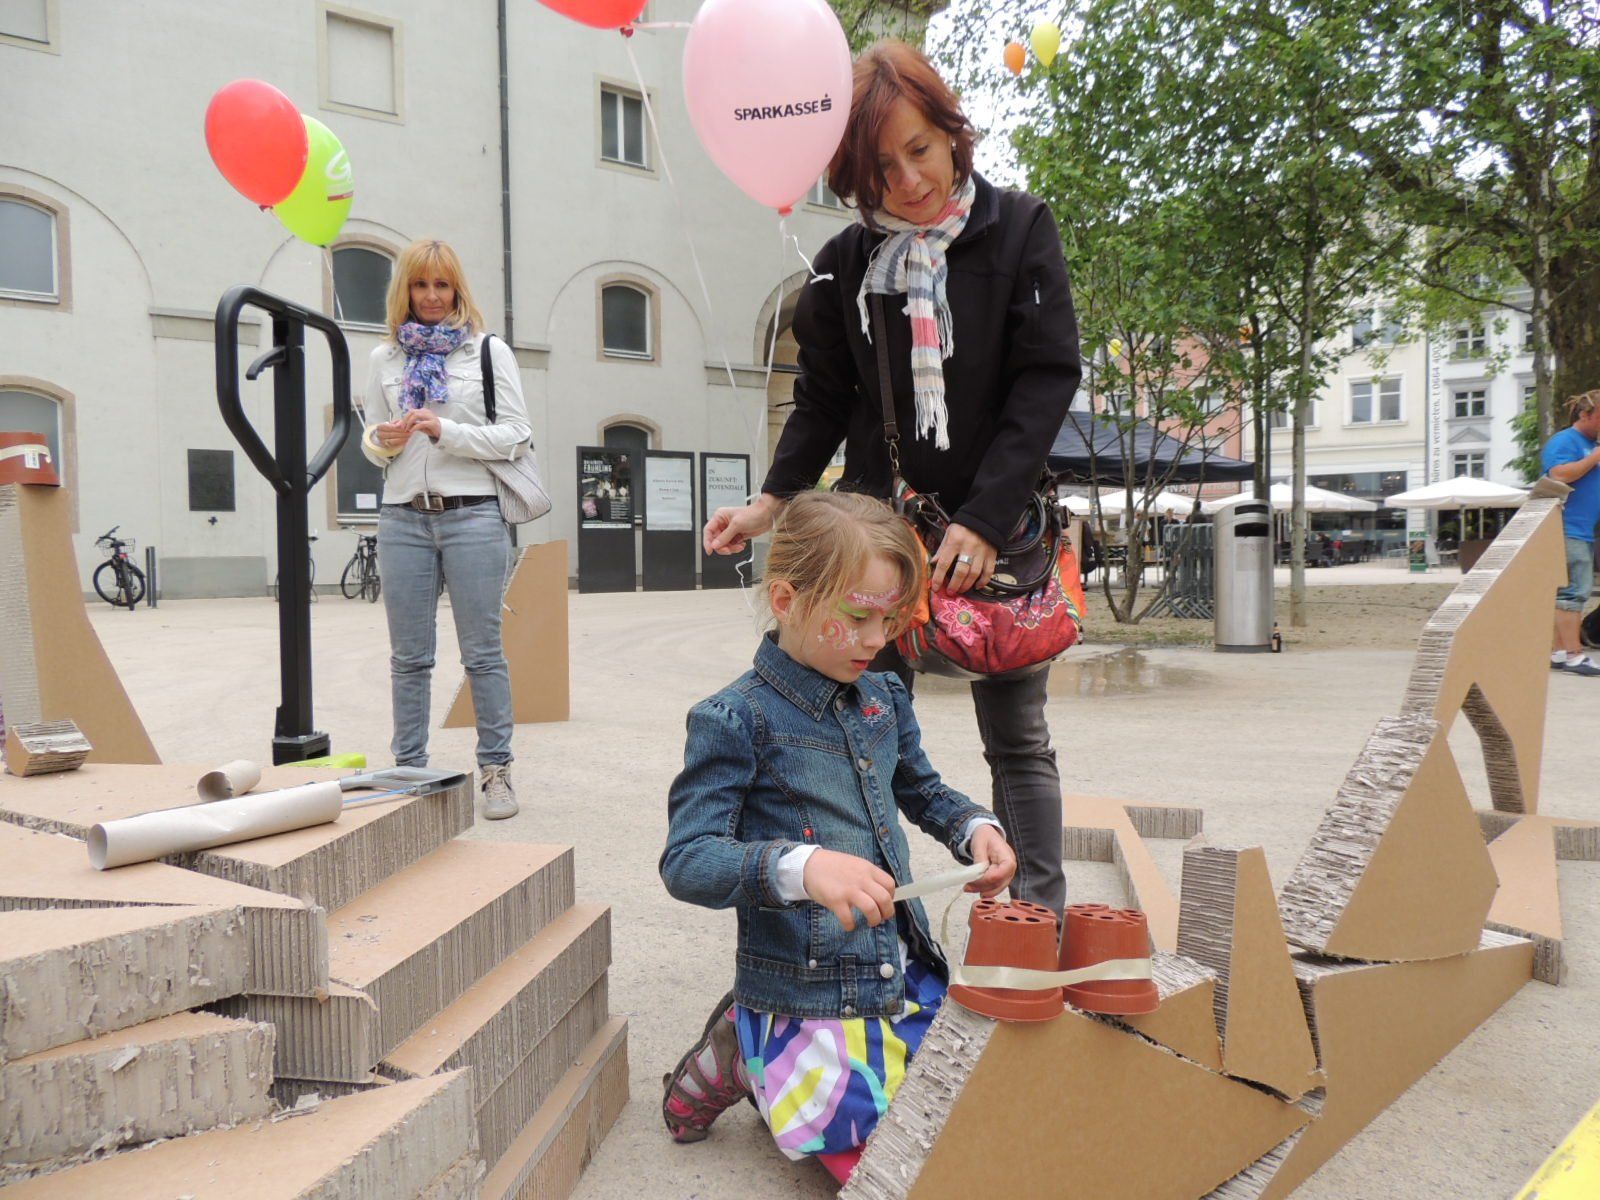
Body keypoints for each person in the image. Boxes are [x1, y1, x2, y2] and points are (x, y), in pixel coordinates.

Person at [703, 39, 1081, 917]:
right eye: (882, 167)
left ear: (952, 134)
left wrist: (984, 516)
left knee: (1018, 738)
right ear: (853, 175)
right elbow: (822, 399)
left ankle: (1039, 921)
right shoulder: (843, 263)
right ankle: (875, 919)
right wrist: (771, 502)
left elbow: (1046, 378)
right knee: (859, 730)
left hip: (996, 531)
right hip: (879, 536)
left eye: (920, 149)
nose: (909, 180)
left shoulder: (1020, 228)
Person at [660, 492, 1017, 1182]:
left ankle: (759, 1054)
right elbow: (688, 860)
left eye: (890, 618)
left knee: (964, 1102)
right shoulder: (734, 719)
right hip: (807, 988)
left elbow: (924, 790)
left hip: (896, 968)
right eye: (857, 617)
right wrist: (801, 866)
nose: (876, 639)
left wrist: (974, 828)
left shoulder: (885, 698)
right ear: (787, 599)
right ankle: (747, 1052)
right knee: (877, 1156)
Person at [360, 239, 531, 816]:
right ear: (404, 290)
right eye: (420, 284)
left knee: (482, 653)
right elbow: (372, 441)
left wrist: (445, 431)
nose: (431, 296)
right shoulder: (383, 359)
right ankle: (408, 770)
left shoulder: (486, 351)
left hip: (473, 514)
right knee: (408, 657)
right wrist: (383, 440)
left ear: (457, 288)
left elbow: (517, 434)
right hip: (402, 516)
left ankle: (496, 771)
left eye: (442, 284)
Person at [1541, 389, 1600, 677]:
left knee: (1566, 591)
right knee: (1574, 591)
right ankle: (1575, 655)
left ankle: (1558, 651)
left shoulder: (1590, 445)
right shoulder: (1565, 441)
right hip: (1567, 527)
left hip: (1581, 529)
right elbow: (1559, 474)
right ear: (1585, 415)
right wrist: (1596, 456)